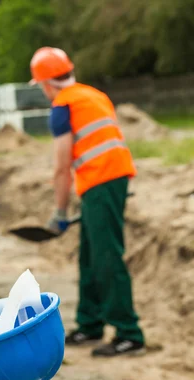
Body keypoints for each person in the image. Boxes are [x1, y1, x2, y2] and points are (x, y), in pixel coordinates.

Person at [29, 47, 145, 357]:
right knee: (90, 256)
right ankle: (90, 324)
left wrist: (60, 211)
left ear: (45, 83)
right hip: (112, 179)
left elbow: (61, 166)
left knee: (106, 256)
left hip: (101, 182)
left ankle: (129, 333)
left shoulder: (63, 106)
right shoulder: (94, 95)